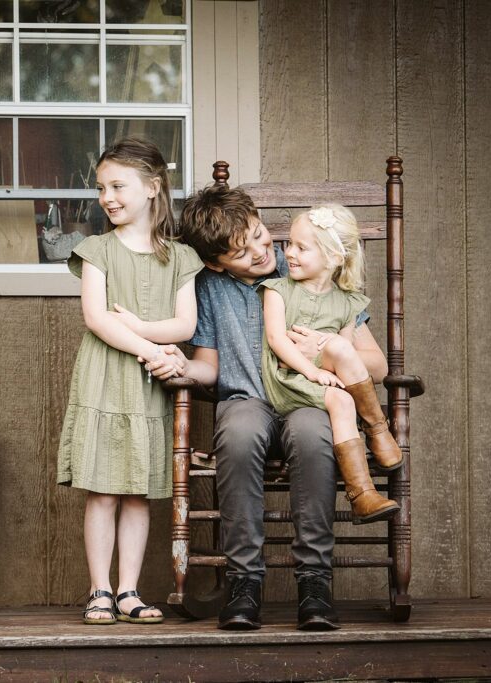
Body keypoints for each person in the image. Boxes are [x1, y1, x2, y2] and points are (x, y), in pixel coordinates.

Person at [146, 184, 388, 631]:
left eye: (258, 234)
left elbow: (375, 364)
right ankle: (244, 583)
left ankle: (315, 583)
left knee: (316, 438)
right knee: (237, 436)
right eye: (241, 252)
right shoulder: (210, 288)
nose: (261, 251)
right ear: (216, 263)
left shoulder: (305, 262)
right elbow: (209, 367)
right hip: (247, 400)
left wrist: (332, 343)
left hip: (306, 401)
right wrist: (181, 365)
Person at [56, 137, 203, 626]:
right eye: (102, 188)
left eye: (118, 185)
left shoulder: (180, 257)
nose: (107, 197)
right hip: (106, 377)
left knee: (138, 490)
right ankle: (98, 588)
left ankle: (128, 591)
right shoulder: (96, 249)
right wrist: (152, 349)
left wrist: (138, 328)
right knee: (102, 489)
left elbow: (185, 326)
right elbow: (97, 319)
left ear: (153, 187)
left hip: (148, 387)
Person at [260, 205, 400, 524]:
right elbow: (277, 341)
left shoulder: (347, 301)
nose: (289, 253)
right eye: (289, 244)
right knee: (337, 356)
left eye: (301, 247)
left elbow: (349, 354)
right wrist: (312, 369)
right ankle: (377, 428)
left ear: (335, 258)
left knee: (341, 387)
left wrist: (327, 351)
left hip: (327, 382)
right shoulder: (277, 291)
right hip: (289, 378)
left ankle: (362, 494)